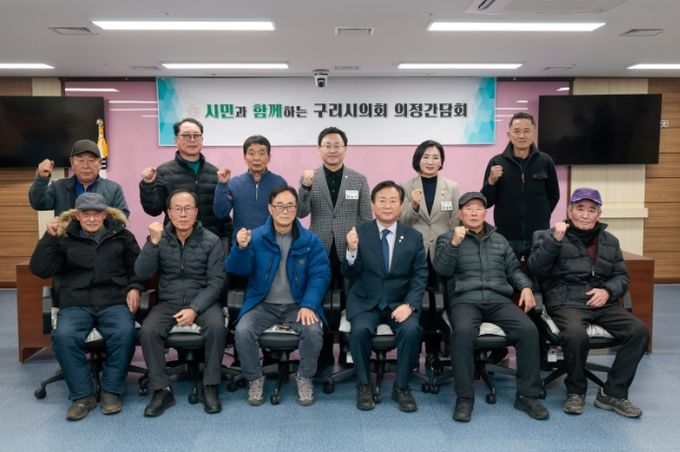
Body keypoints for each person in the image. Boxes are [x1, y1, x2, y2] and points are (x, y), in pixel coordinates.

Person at [528, 188, 649, 418]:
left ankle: (612, 393)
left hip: (602, 303)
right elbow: (536, 268)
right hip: (566, 302)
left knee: (639, 331)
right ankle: (576, 391)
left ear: (599, 214)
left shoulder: (610, 241)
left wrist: (607, 291)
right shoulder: (550, 235)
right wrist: (555, 240)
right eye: (580, 208)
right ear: (569, 210)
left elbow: (622, 276)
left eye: (591, 210)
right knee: (576, 335)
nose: (585, 215)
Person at [432, 191, 549, 423]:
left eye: (478, 209)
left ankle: (527, 396)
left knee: (529, 331)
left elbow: (513, 270)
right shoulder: (447, 238)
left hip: (498, 300)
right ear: (460, 214)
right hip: (465, 300)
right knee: (463, 333)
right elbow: (441, 270)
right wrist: (454, 243)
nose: (474, 213)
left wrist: (526, 287)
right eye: (468, 209)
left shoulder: (499, 240)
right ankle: (465, 399)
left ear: (485, 213)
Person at [29, 192, 142, 421]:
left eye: (97, 214)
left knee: (125, 332)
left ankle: (111, 390)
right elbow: (40, 269)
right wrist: (48, 238)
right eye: (86, 214)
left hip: (112, 300)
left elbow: (137, 268)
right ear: (77, 216)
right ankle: (83, 396)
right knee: (64, 336)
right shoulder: (63, 237)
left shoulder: (122, 236)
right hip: (76, 302)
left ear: (105, 214)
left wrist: (135, 287)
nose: (92, 219)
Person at [226, 186, 331, 406]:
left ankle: (305, 378)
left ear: (296, 209)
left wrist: (309, 304)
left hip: (298, 305)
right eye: (280, 206)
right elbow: (237, 270)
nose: (285, 211)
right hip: (262, 305)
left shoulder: (310, 240)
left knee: (313, 331)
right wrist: (240, 248)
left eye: (290, 206)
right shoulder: (255, 237)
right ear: (270, 209)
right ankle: (255, 378)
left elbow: (320, 274)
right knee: (243, 331)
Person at [135, 189, 226, 417]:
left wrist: (194, 308)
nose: (183, 214)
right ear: (169, 212)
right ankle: (161, 390)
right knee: (148, 330)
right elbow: (142, 272)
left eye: (188, 209)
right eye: (177, 209)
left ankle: (210, 385)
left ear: (196, 212)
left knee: (217, 327)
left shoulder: (211, 240)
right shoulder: (159, 238)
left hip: (203, 302)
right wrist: (152, 243)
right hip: (169, 302)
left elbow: (216, 282)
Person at [342, 180, 427, 412]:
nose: (387, 206)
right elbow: (349, 273)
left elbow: (420, 275)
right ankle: (363, 385)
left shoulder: (413, 237)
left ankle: (401, 387)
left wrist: (410, 305)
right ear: (373, 204)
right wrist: (351, 250)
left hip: (399, 302)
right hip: (365, 301)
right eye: (382, 201)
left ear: (401, 205)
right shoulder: (359, 232)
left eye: (393, 201)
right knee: (359, 331)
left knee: (411, 330)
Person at [297, 126, 372, 289]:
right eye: (327, 146)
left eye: (337, 146)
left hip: (350, 247)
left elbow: (366, 217)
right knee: (320, 291)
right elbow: (301, 213)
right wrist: (306, 187)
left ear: (345, 149)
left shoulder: (359, 179)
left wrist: (359, 244)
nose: (332, 150)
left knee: (350, 292)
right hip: (318, 245)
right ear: (319, 149)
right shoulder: (308, 178)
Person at [139, 117, 232, 246]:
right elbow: (153, 210)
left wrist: (226, 242)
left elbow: (223, 215)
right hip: (177, 245)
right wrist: (148, 185)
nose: (192, 140)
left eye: (196, 135)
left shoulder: (215, 173)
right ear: (176, 140)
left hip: (212, 245)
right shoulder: (163, 172)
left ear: (202, 140)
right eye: (186, 136)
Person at [480, 112, 560, 261]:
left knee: (539, 272)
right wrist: (491, 181)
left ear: (534, 134)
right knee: (507, 273)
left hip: (538, 234)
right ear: (509, 134)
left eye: (526, 131)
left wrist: (542, 215)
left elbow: (554, 195)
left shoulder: (545, 161)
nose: (522, 136)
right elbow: (486, 202)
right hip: (506, 235)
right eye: (517, 131)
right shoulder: (497, 162)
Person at [400, 139, 459, 285]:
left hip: (443, 248)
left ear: (441, 161)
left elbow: (455, 220)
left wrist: (452, 246)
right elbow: (402, 222)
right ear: (418, 159)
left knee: (443, 289)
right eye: (426, 157)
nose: (430, 162)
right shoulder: (405, 186)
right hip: (415, 248)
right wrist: (413, 205)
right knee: (416, 289)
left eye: (435, 157)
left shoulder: (452, 187)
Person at [29, 139, 130, 217]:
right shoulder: (59, 187)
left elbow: (123, 216)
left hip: (101, 238)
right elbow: (38, 204)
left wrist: (99, 225)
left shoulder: (113, 189)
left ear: (99, 163)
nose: (86, 166)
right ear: (72, 163)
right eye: (80, 160)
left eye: (91, 160)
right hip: (66, 238)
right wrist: (42, 178)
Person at [213, 134, 287, 234]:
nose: (256, 158)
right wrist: (222, 185)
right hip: (242, 241)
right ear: (244, 157)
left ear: (269, 157)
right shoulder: (234, 184)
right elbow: (220, 213)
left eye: (261, 153)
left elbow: (285, 216)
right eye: (251, 153)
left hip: (271, 241)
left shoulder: (279, 183)